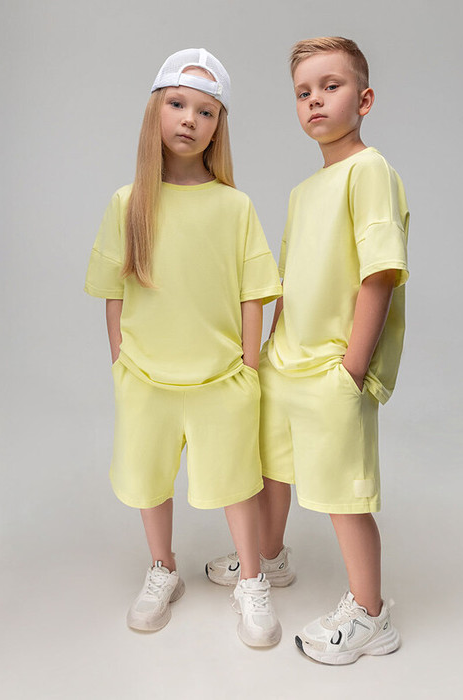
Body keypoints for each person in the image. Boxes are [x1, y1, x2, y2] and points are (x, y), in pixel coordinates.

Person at [206, 36, 409, 664]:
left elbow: (379, 273)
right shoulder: (303, 191)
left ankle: (371, 615)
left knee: (344, 497)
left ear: (364, 100)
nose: (315, 100)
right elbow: (291, 280)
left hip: (331, 370)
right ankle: (268, 557)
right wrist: (270, 348)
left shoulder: (370, 171)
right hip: (285, 363)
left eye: (331, 86)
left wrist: (352, 368)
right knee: (271, 470)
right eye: (303, 92)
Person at [84, 48, 283, 648]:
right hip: (146, 377)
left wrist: (248, 365)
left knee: (237, 482)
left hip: (221, 378)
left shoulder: (234, 205)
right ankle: (162, 568)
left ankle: (252, 580)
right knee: (150, 480)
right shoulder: (128, 203)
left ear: (218, 126)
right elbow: (113, 291)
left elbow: (253, 291)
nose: (189, 119)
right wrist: (121, 359)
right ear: (156, 111)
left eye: (205, 111)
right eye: (177, 104)